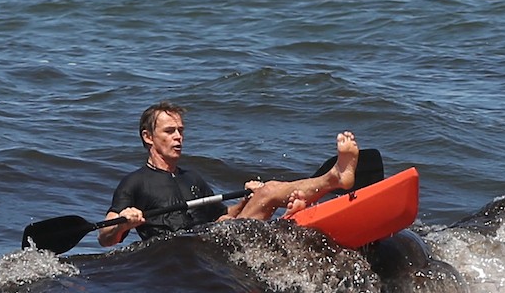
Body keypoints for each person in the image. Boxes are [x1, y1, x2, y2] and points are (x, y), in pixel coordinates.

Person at [98, 101, 358, 247]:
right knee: (266, 199)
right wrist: (124, 222)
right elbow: (105, 238)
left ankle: (322, 188)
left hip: (213, 238)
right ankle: (323, 186)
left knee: (265, 191)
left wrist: (246, 200)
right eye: (170, 131)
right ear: (148, 137)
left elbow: (224, 216)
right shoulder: (134, 183)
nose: (179, 137)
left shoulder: (192, 178)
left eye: (181, 130)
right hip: (181, 253)